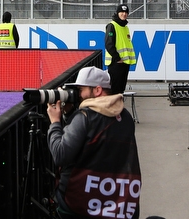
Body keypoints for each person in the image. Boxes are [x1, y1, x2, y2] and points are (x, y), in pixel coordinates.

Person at [46, 66, 142, 219]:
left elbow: (60, 154)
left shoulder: (85, 117)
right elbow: (97, 143)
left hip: (81, 204)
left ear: (97, 90)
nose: (78, 95)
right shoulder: (125, 116)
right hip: (117, 201)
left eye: (81, 90)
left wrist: (55, 122)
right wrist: (70, 114)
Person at [104, 3, 136, 94]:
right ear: (117, 13)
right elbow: (109, 44)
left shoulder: (125, 27)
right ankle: (114, 107)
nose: (124, 14)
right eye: (121, 12)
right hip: (116, 63)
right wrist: (118, 58)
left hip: (124, 63)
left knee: (121, 89)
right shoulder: (112, 26)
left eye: (126, 12)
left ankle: (119, 106)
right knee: (115, 89)